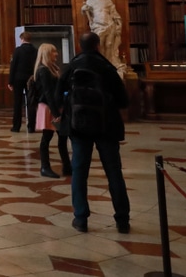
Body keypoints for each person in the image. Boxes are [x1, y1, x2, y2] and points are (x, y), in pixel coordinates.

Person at [56, 32, 130, 234]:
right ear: (97, 46)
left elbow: (57, 95)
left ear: (80, 46)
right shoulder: (106, 66)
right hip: (106, 126)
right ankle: (122, 220)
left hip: (79, 127)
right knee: (113, 172)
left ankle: (80, 218)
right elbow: (123, 100)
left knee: (79, 172)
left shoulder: (72, 66)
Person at [33, 43, 71, 178]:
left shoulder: (53, 68)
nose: (57, 54)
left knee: (62, 137)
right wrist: (56, 113)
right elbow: (48, 93)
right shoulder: (43, 70)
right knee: (47, 138)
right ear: (47, 54)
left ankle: (67, 166)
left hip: (56, 106)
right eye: (53, 52)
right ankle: (45, 167)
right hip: (49, 107)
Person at [81, 0, 124, 72]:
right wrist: (83, 8)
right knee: (99, 45)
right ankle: (100, 63)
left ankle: (108, 63)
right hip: (98, 26)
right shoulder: (90, 1)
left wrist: (118, 24)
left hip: (109, 25)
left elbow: (113, 13)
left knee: (109, 45)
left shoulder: (108, 1)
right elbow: (84, 12)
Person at [8, 32, 38, 133]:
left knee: (17, 103)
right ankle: (31, 127)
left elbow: (13, 67)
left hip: (18, 79)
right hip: (31, 79)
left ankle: (16, 126)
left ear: (22, 39)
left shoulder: (18, 51)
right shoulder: (35, 51)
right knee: (31, 103)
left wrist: (10, 81)